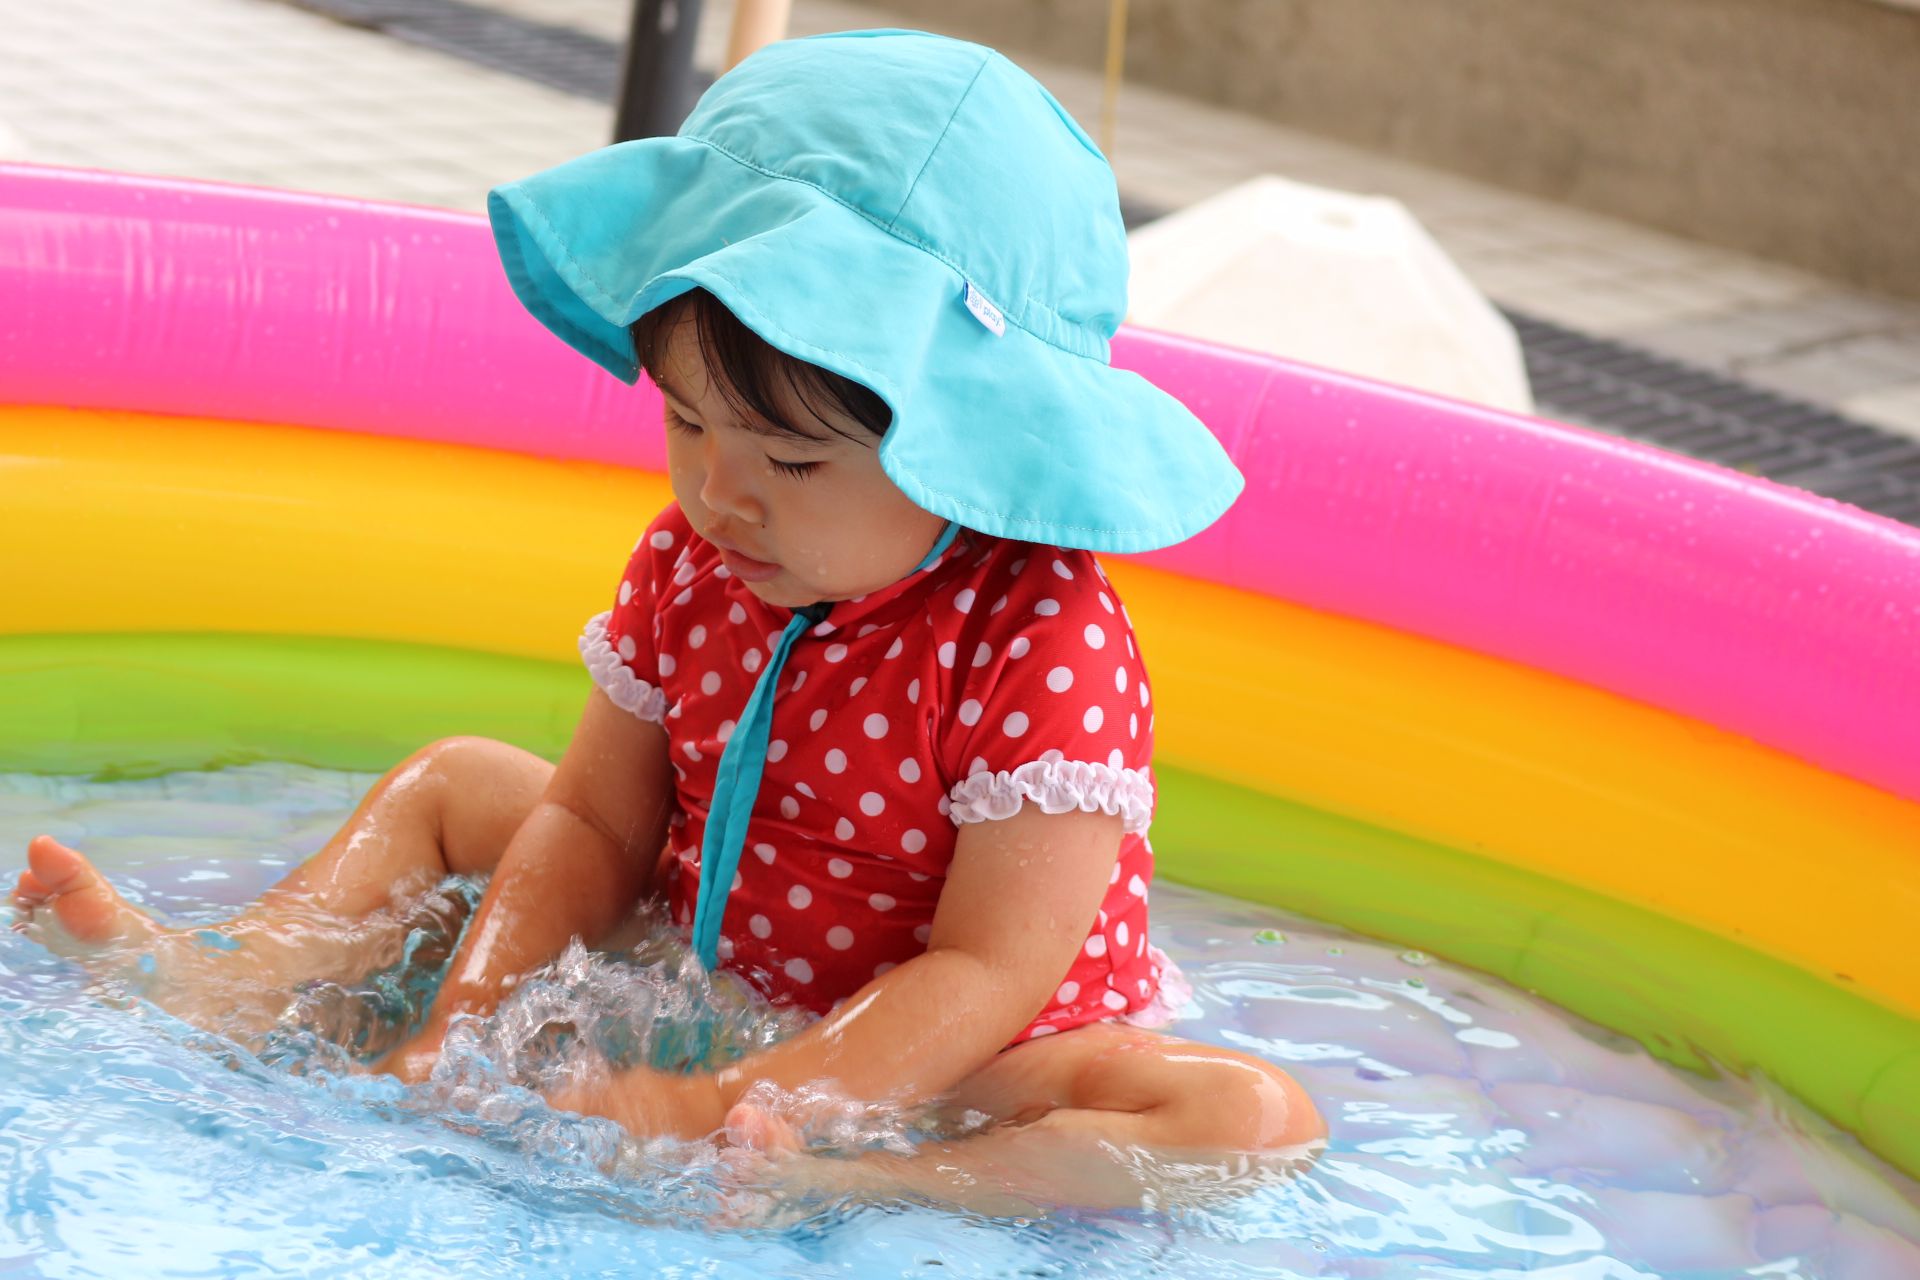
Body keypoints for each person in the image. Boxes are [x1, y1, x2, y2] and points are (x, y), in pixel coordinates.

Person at [11, 29, 1324, 1211]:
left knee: (1248, 1119)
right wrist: (463, 1030)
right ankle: (235, 977)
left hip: (948, 1049)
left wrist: (724, 1103)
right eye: (686, 421)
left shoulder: (1039, 640)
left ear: (967, 441)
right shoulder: (698, 559)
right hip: (705, 953)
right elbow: (593, 823)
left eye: (791, 460)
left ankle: (876, 1180)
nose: (718, 492)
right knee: (457, 784)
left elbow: (985, 972)